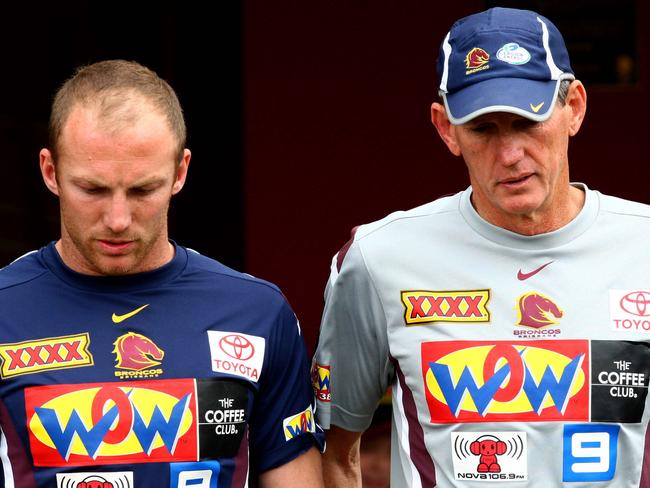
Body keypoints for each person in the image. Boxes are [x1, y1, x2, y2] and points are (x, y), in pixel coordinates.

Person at [313, 7, 650, 487]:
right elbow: (334, 452)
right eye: (482, 129)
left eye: (526, 122)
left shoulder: (643, 245)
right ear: (446, 128)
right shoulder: (378, 258)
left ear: (573, 106)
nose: (509, 154)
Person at [0, 60, 324, 487]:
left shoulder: (258, 313)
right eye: (92, 189)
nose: (117, 219)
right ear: (50, 171)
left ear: (180, 172)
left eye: (142, 190)